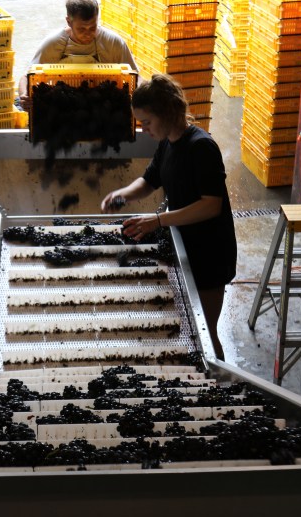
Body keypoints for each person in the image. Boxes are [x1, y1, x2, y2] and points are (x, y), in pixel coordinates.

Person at [100, 74, 237, 362]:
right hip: (185, 245)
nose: (143, 128)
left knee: (206, 335)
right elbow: (149, 180)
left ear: (167, 113)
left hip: (210, 254)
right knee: (186, 328)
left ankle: (219, 389)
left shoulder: (201, 147)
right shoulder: (167, 143)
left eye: (147, 122)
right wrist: (121, 195)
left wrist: (159, 220)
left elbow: (211, 206)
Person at [17, 0, 139, 111]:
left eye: (93, 27)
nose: (88, 33)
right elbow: (26, 77)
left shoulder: (112, 42)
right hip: (63, 107)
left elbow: (136, 77)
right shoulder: (53, 43)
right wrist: (24, 96)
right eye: (81, 29)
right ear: (69, 22)